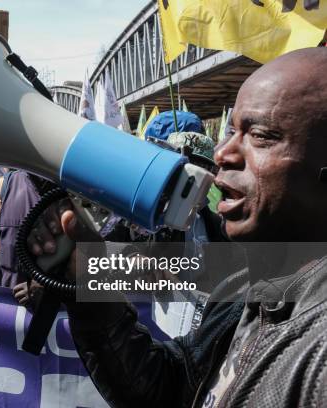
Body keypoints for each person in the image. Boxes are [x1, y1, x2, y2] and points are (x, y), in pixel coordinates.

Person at [27, 48, 327, 407]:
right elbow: (166, 387)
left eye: (260, 135)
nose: (222, 154)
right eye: (231, 131)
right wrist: (87, 279)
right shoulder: (246, 286)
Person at [0, 170, 54, 293]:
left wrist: (49, 286)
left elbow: (94, 283)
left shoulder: (85, 189)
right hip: (8, 309)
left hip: (66, 310)